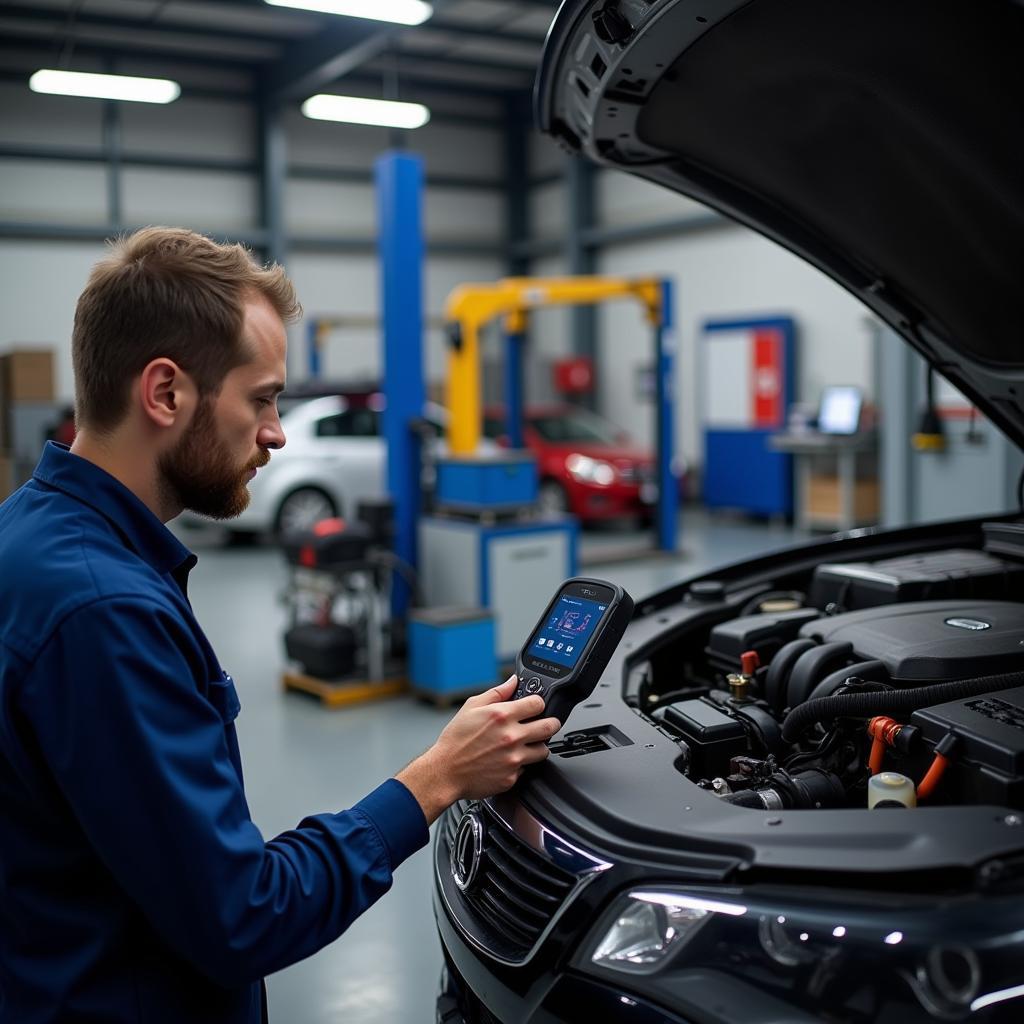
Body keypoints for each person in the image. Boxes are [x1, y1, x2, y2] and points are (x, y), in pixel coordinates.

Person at [0, 227, 561, 1024]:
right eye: (261, 397)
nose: (276, 431)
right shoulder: (105, 612)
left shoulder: (25, 536)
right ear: (165, 394)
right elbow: (242, 914)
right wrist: (437, 776)